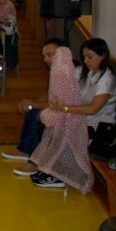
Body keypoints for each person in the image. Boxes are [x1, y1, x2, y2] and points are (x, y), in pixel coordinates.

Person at [28, 47, 94, 192]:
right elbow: (56, 101)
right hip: (68, 114)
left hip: (78, 118)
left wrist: (62, 110)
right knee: (50, 133)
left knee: (60, 137)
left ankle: (57, 175)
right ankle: (49, 170)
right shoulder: (63, 73)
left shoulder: (68, 73)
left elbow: (70, 102)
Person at [1, 39, 65, 172]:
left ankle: (36, 162)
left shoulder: (68, 72)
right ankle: (26, 150)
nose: (45, 59)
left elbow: (60, 102)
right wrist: (30, 102)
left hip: (69, 113)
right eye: (44, 56)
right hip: (60, 109)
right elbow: (50, 96)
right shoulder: (56, 71)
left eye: (50, 55)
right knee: (33, 110)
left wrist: (34, 104)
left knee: (38, 115)